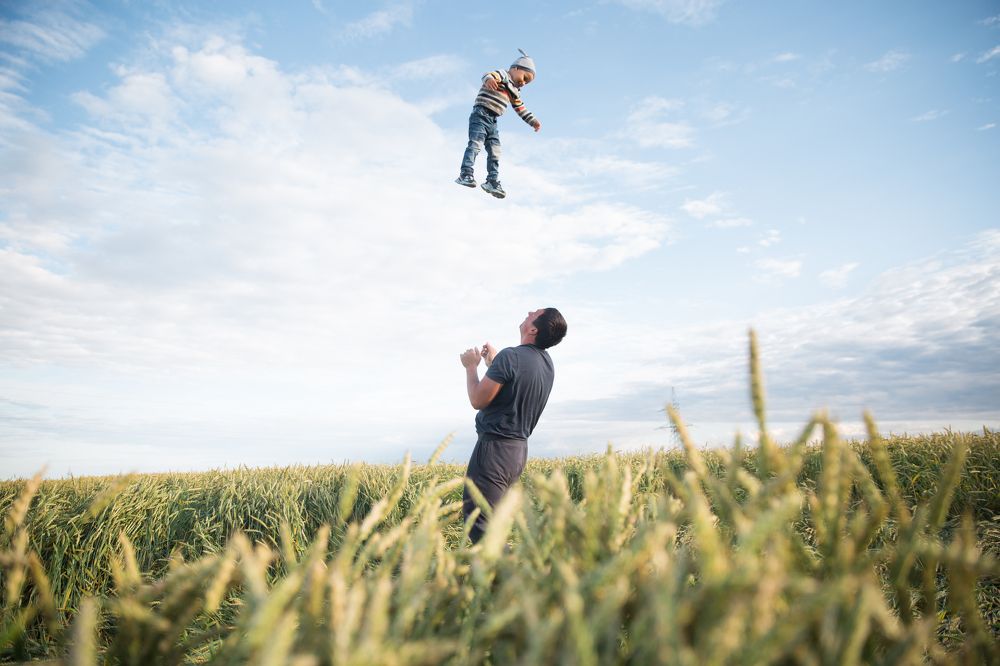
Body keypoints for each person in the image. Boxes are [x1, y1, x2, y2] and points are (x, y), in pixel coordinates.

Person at [459, 308, 567, 544]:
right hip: (517, 453)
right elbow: (511, 386)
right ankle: (501, 578)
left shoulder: (510, 358)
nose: (528, 312)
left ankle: (511, 579)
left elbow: (478, 399)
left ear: (533, 329)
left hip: (493, 452)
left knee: (479, 525)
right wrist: (494, 363)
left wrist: (471, 367)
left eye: (534, 313)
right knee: (493, 521)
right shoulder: (546, 364)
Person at [454, 49, 542, 200]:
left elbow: (521, 109)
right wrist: (488, 79)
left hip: (493, 122)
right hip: (480, 115)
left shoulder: (515, 91)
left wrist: (532, 121)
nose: (524, 82)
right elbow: (488, 74)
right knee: (475, 144)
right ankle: (466, 173)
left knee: (495, 152)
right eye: (524, 77)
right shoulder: (503, 75)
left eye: (527, 82)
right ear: (515, 69)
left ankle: (492, 181)